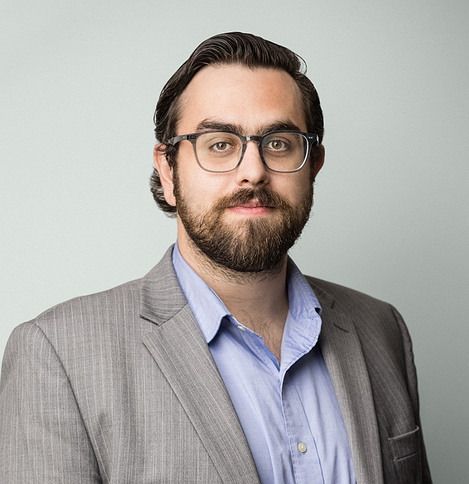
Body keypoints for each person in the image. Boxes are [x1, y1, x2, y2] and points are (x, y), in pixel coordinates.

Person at [0, 32, 431, 483]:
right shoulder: (58, 356)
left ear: (313, 164)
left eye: (279, 143)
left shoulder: (381, 329)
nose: (253, 172)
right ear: (169, 171)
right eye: (220, 144)